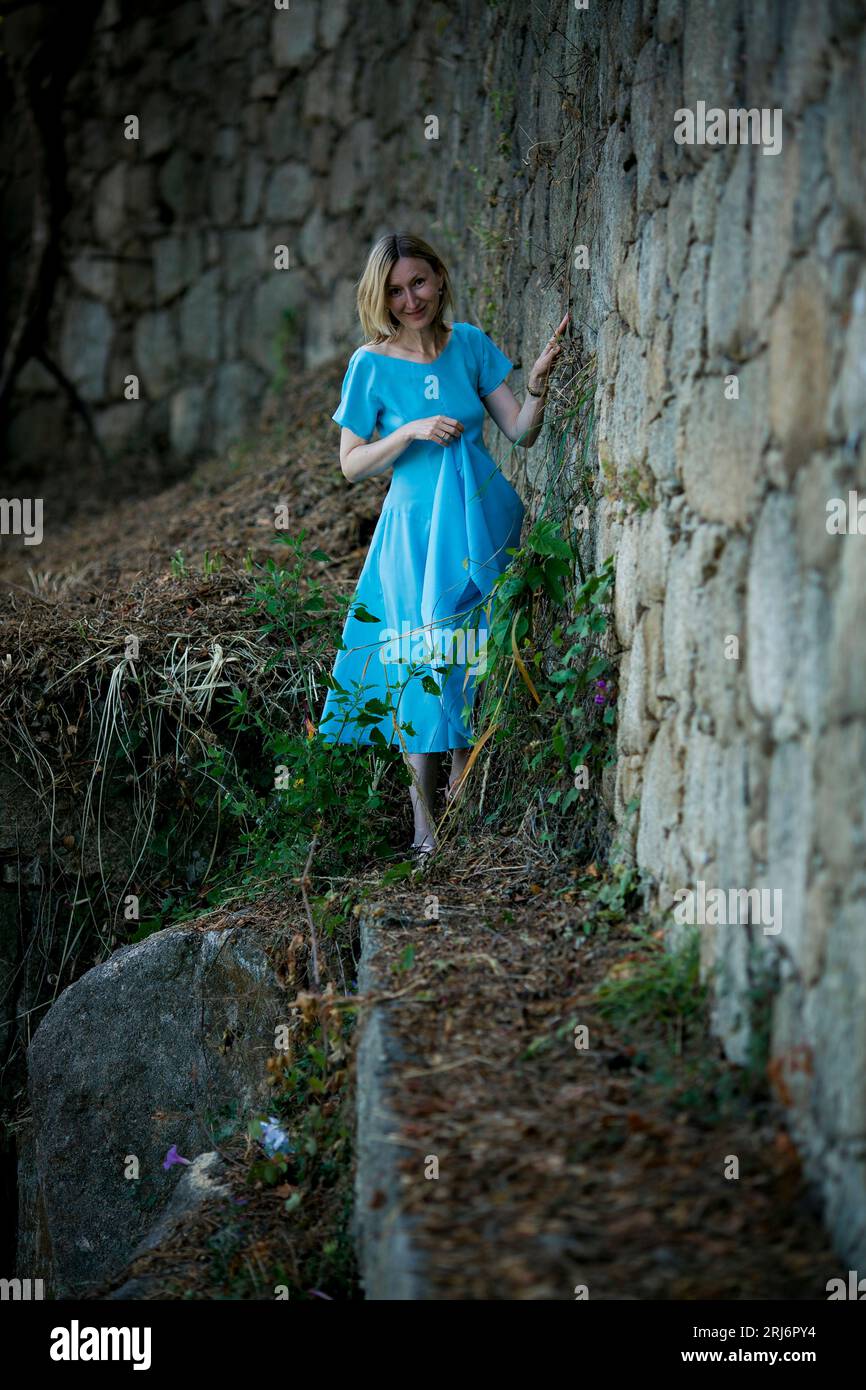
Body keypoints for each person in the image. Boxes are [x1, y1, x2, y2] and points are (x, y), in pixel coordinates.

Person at [316, 231, 568, 857]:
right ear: (381, 296)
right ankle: (424, 824)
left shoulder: (471, 346)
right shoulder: (369, 365)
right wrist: (408, 430)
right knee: (419, 657)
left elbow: (520, 432)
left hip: (478, 520)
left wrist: (535, 384)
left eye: (419, 283)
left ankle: (464, 790)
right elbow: (351, 464)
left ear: (439, 277)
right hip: (413, 530)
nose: (411, 299)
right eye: (396, 290)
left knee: (469, 647)